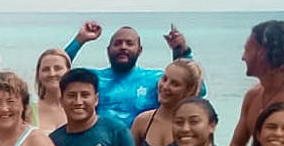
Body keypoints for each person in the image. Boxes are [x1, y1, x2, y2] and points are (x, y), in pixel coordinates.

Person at [63, 21, 196, 128]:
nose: (123, 47)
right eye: (117, 43)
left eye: (129, 43)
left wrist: (182, 51)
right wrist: (80, 39)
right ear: (108, 50)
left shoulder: (156, 80)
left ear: (140, 50)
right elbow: (57, 75)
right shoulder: (94, 79)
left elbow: (195, 90)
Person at [129, 59, 205, 146]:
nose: (165, 86)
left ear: (189, 90)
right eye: (164, 79)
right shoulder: (143, 121)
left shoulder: (193, 128)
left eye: (175, 84)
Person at [32, 47, 72, 131]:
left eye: (58, 68)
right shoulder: (27, 110)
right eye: (46, 69)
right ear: (38, 75)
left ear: (68, 72)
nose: (52, 73)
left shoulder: (79, 107)